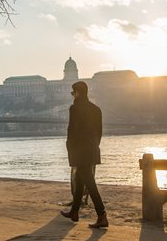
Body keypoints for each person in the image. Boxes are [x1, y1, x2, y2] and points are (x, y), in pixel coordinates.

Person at [60, 81, 108, 228]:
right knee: (81, 179)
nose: (72, 96)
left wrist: (70, 148)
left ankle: (102, 215)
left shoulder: (74, 108)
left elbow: (72, 130)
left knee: (89, 182)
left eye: (72, 93)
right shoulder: (96, 109)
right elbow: (99, 132)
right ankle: (74, 212)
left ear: (77, 92)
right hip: (92, 149)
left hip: (79, 151)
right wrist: (94, 147)